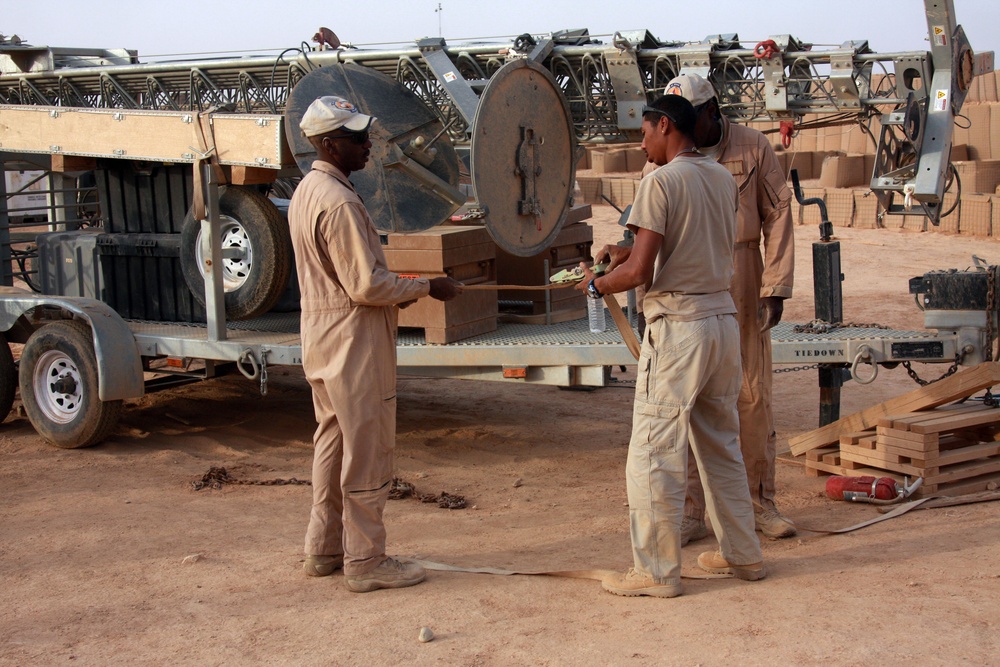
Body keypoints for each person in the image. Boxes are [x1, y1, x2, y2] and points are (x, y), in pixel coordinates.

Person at [577, 94, 765, 598]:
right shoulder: (722, 178)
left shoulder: (659, 182)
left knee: (655, 451)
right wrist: (622, 252)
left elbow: (641, 271)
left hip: (680, 328)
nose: (641, 144)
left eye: (644, 133)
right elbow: (680, 242)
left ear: (666, 126)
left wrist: (598, 285)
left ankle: (656, 572)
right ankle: (742, 554)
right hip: (720, 320)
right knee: (720, 443)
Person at [601, 73, 796, 542]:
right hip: (685, 281)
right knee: (689, 408)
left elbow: (779, 212)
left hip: (738, 274)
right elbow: (647, 236)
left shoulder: (751, 147)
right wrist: (623, 252)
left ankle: (755, 505)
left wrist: (776, 285)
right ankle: (693, 513)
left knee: (747, 397)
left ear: (707, 113)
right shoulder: (661, 165)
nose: (644, 140)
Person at [288, 95, 463, 593]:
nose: (368, 146)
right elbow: (365, 286)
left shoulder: (307, 191)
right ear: (327, 144)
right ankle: (365, 560)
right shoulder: (339, 201)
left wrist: (408, 286)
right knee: (367, 449)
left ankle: (322, 550)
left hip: (322, 336)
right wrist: (428, 287)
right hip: (352, 339)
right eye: (357, 138)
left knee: (333, 441)